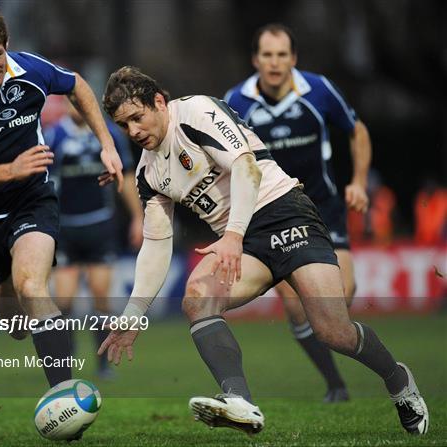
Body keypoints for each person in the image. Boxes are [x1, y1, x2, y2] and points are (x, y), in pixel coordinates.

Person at [97, 66, 428, 436]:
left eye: (137, 118)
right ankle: (240, 402)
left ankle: (398, 380)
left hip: (284, 213)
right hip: (242, 242)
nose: (134, 132)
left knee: (334, 332)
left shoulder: (195, 112)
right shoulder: (148, 173)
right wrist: (134, 312)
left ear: (159, 101)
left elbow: (246, 168)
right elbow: (157, 243)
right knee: (197, 297)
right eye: (124, 126)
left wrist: (234, 235)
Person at [0, 4, 123, 389]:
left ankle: (64, 396)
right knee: (17, 327)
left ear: (7, 45)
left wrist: (106, 144)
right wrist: (8, 170)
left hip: (32, 200)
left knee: (32, 287)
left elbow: (77, 84)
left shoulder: (30, 70)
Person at [224, 24, 372, 402]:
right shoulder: (236, 102)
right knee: (298, 307)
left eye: (282, 55)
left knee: (341, 298)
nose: (275, 63)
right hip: (277, 212)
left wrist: (357, 180)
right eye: (267, 55)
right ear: (256, 59)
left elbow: (357, 131)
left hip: (324, 207)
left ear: (293, 58)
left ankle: (346, 351)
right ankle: (335, 384)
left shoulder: (318, 90)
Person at [45, 101, 143, 378]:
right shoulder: (53, 136)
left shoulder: (107, 135)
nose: (77, 106)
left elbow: (125, 175)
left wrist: (138, 217)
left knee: (101, 295)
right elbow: (43, 184)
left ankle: (102, 365)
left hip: (100, 224)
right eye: (71, 101)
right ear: (65, 104)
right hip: (65, 229)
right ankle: (66, 363)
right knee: (63, 301)